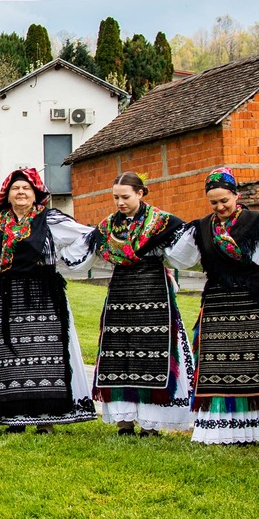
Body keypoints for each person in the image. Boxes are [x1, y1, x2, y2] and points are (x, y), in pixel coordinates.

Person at [165, 168, 259, 445]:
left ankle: (252, 427)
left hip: (251, 296)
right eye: (214, 203)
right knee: (215, 360)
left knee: (255, 357)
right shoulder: (202, 228)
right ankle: (223, 428)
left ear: (236, 195)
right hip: (218, 298)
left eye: (224, 201)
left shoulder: (257, 222)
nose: (220, 207)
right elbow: (179, 254)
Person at [0, 166, 96, 433]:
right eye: (15, 189)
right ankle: (14, 417)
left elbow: (85, 235)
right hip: (9, 295)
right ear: (7, 196)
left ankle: (47, 418)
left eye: (26, 188)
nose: (21, 192)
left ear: (36, 194)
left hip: (45, 292)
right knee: (11, 353)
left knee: (48, 353)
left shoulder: (50, 220)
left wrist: (64, 261)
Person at [88, 172, 193, 437]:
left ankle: (150, 422)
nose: (120, 203)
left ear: (140, 193)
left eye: (125, 197)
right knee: (119, 352)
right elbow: (92, 246)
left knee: (150, 350)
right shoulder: (108, 226)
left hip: (153, 289)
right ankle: (124, 422)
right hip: (121, 293)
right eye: (115, 198)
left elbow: (185, 246)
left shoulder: (162, 222)